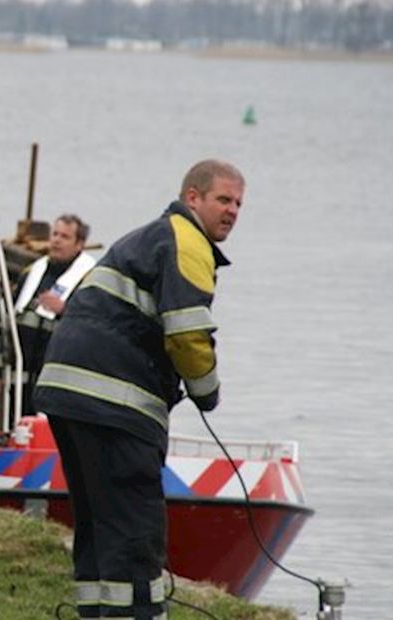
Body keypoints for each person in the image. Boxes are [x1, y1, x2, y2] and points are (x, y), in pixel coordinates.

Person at [33, 160, 244, 620]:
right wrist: (208, 392)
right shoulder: (187, 239)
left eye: (238, 204)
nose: (232, 211)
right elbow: (188, 334)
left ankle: (96, 612)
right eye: (223, 200)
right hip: (114, 399)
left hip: (66, 388)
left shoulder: (148, 237)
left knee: (97, 520)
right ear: (193, 198)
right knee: (134, 526)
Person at [0, 214, 96, 415]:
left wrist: (65, 310)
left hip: (58, 380)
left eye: (64, 236)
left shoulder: (91, 280)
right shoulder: (32, 272)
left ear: (80, 244)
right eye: (54, 234)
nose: (56, 240)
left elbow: (97, 326)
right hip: (19, 377)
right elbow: (5, 321)